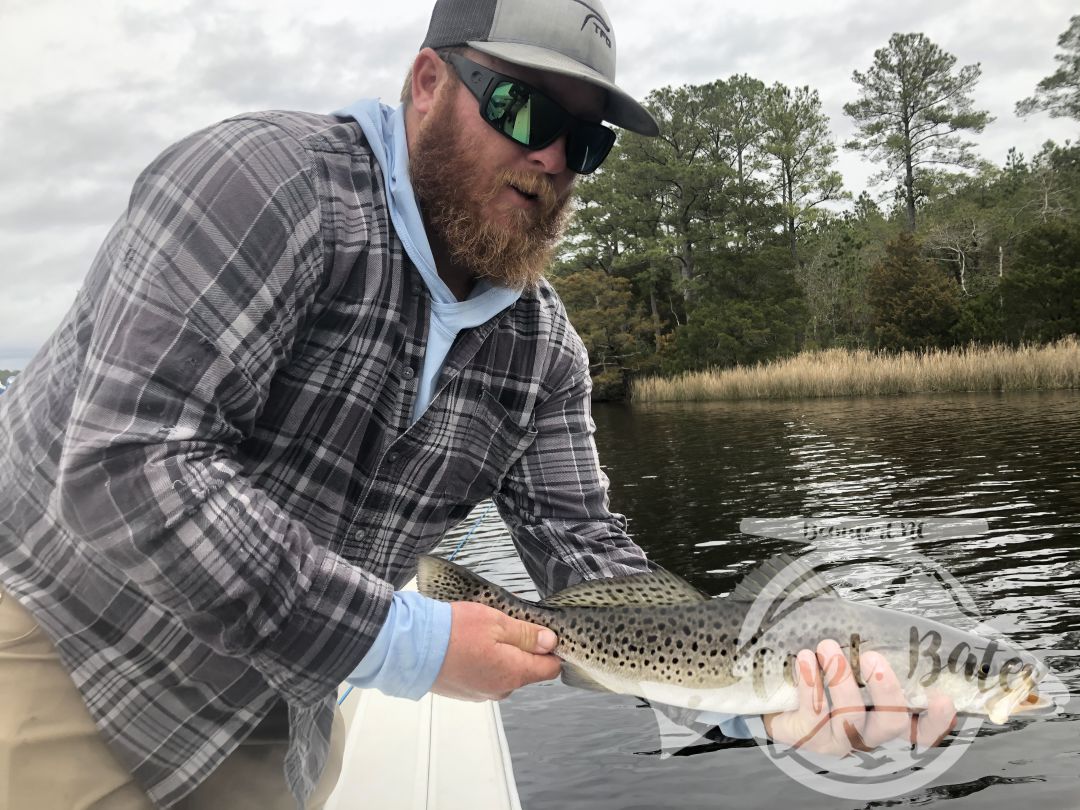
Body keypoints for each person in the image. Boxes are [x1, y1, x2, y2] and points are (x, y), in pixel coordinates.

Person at [0, 0, 955, 807]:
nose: (551, 161)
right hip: (64, 648)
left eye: (584, 141)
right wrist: (402, 640)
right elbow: (125, 466)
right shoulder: (265, 187)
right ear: (426, 84)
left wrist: (768, 692)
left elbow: (588, 560)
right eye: (522, 107)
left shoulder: (543, 351)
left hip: (272, 715)